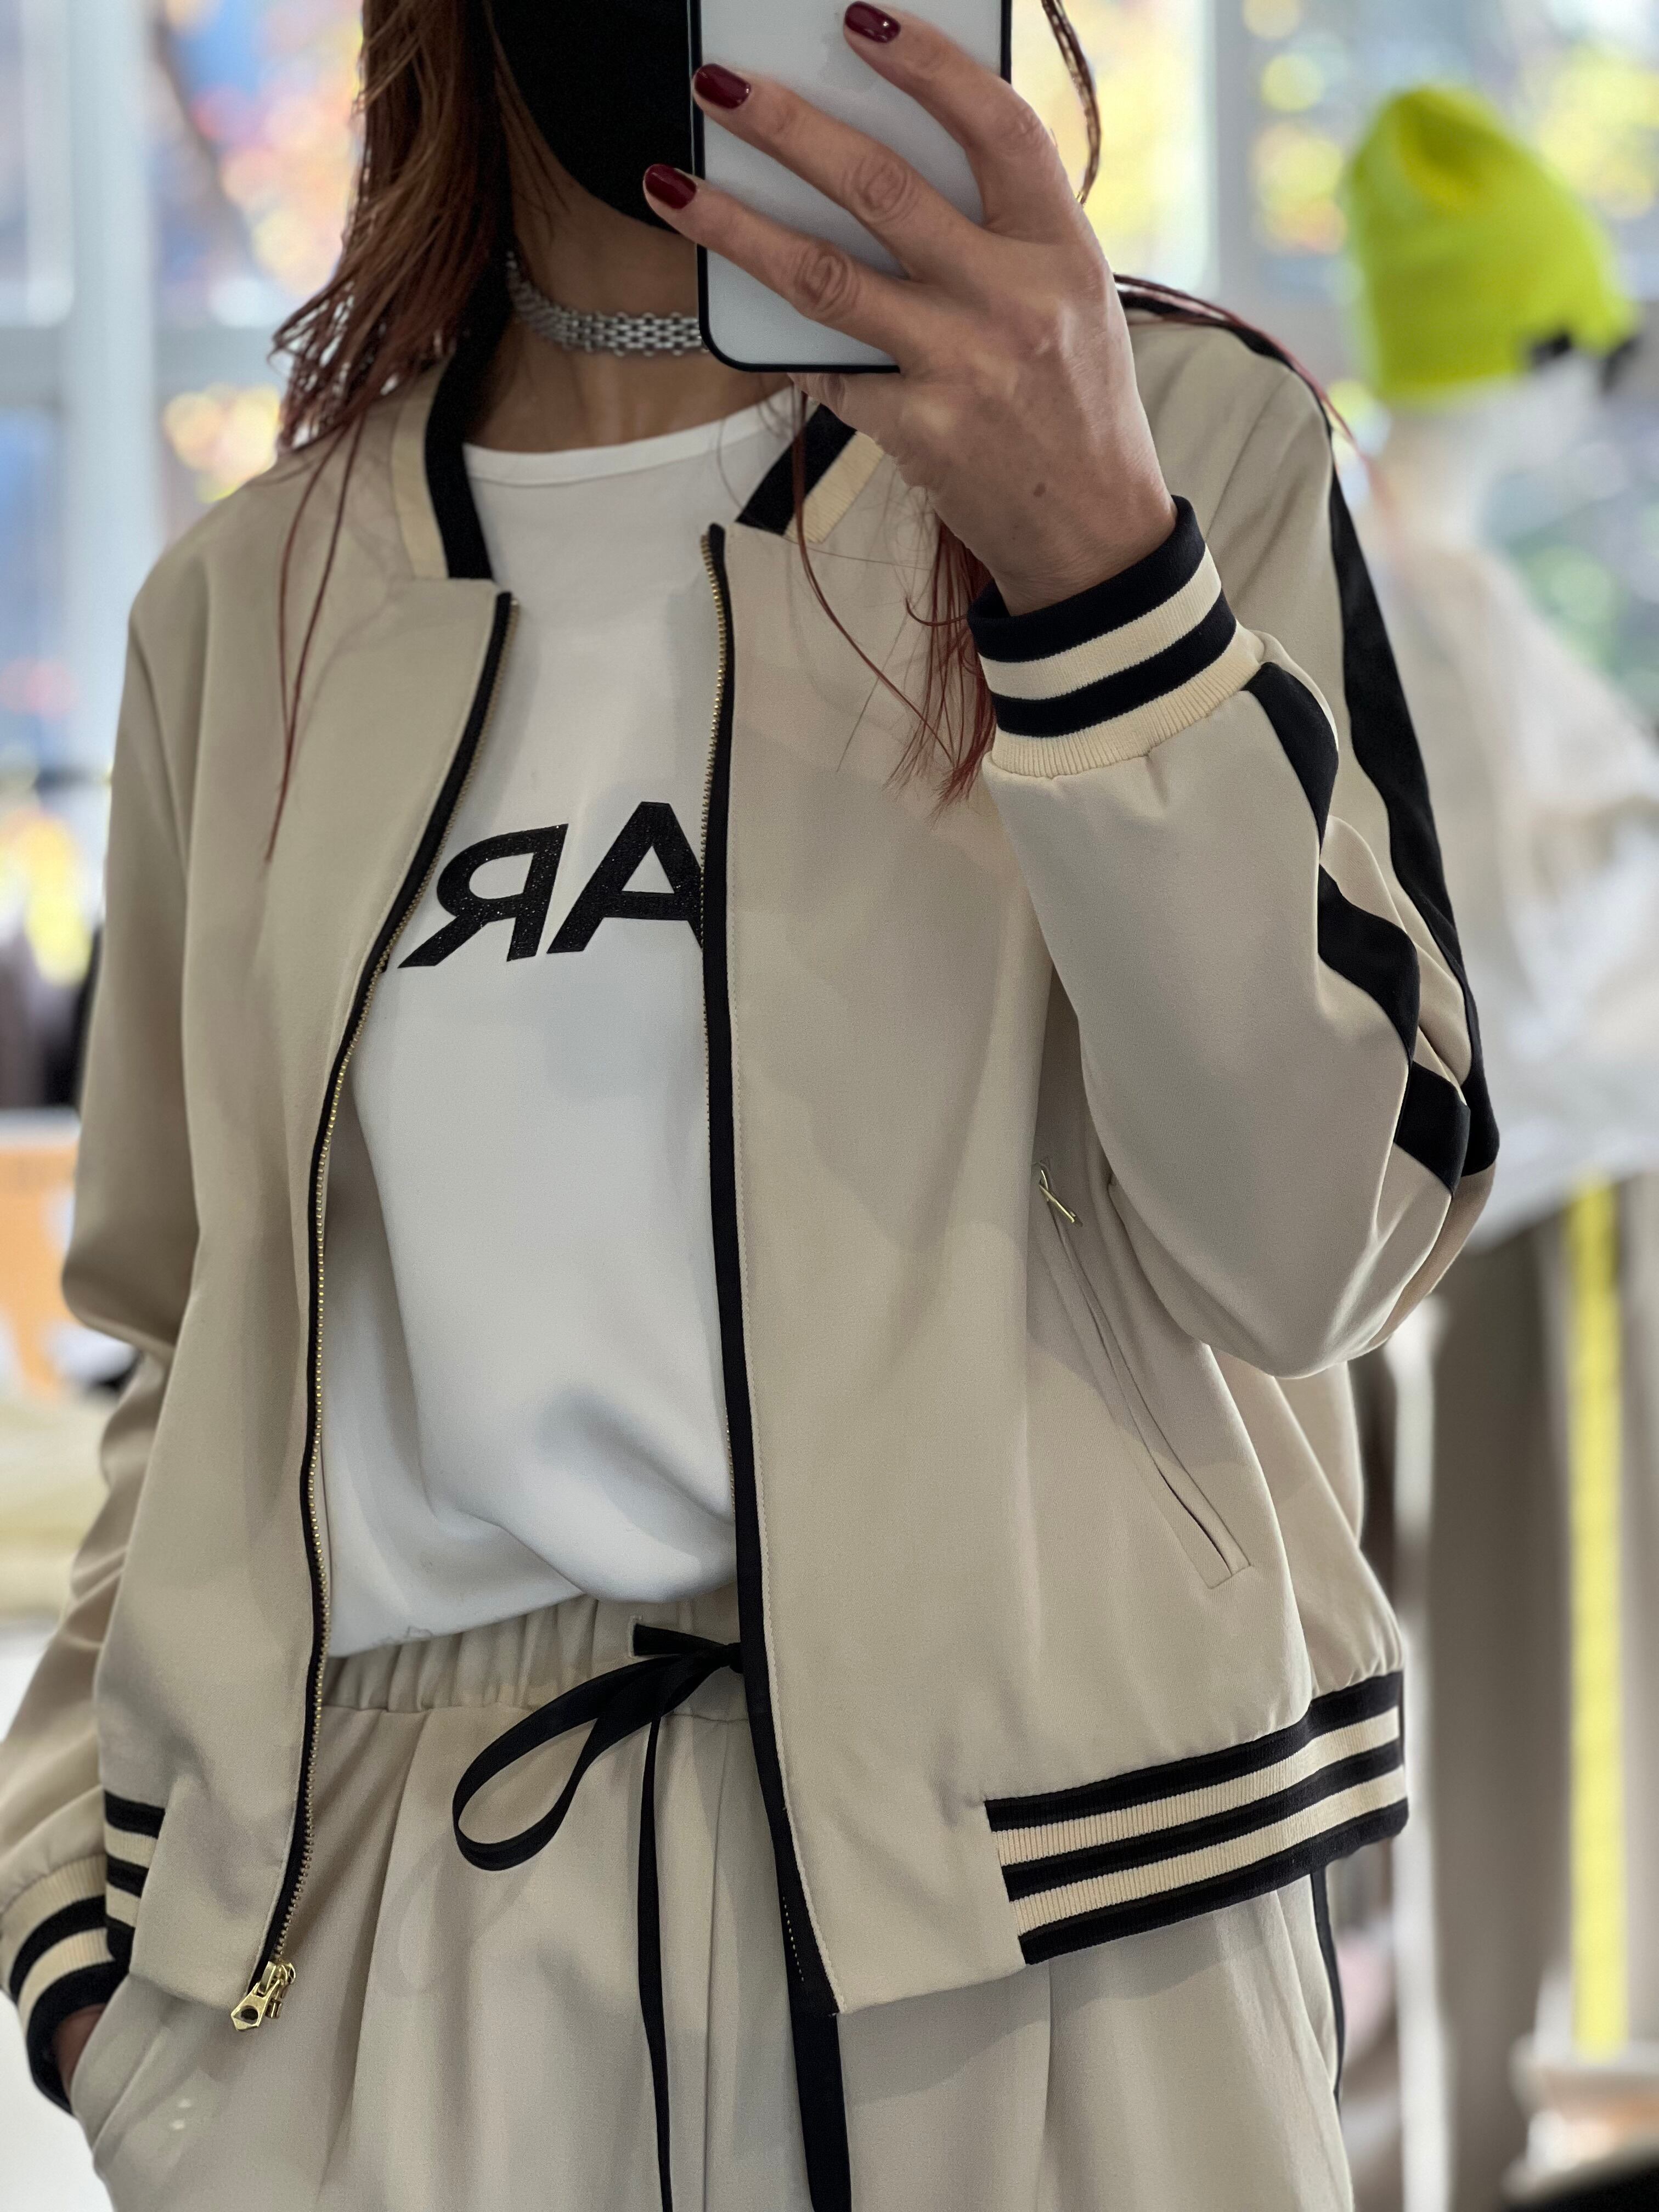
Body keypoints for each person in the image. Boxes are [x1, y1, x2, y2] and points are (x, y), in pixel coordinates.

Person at [0, 6, 1491, 2207]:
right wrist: (85, 1944)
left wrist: (1099, 572)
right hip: (394, 1995)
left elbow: (1321, 1243)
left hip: (1059, 1950)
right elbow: (190, 1344)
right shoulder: (257, 602)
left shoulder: (1175, 442)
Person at [1343, 87, 1659, 2212]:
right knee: (1565, 1733)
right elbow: (1547, 957)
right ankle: (1535, 2132)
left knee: (1474, 1712)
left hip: (1464, 1225)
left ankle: (1464, 2133)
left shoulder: (1386, 569)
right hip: (1558, 1211)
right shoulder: (1445, 598)